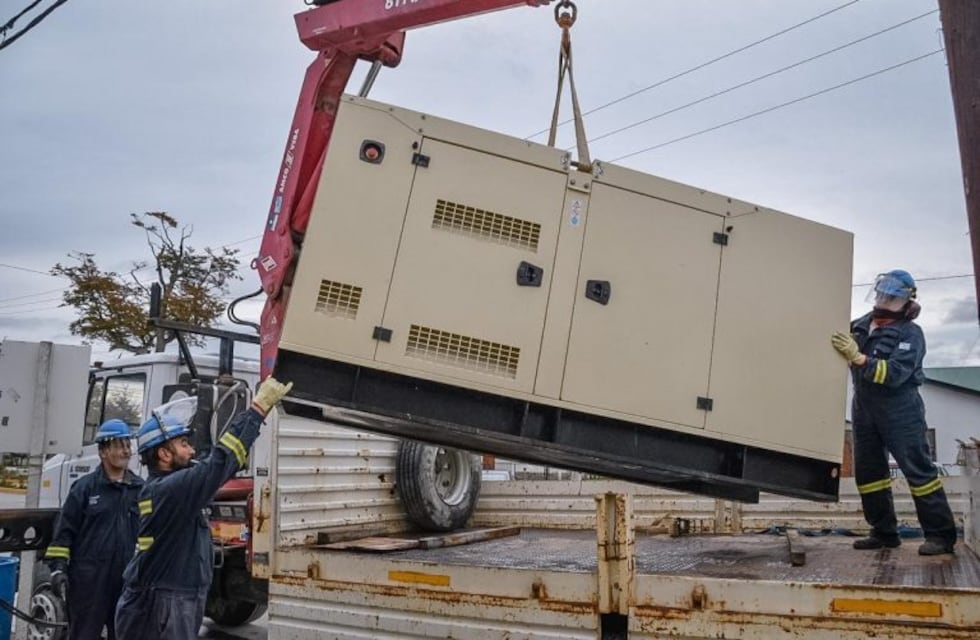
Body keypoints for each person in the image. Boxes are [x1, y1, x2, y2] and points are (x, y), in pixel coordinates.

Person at [114, 376, 292, 639]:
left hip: (174, 597)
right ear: (164, 454)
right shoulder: (170, 489)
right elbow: (220, 461)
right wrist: (256, 410)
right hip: (163, 601)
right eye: (184, 444)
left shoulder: (171, 489)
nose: (192, 451)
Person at [831, 269, 957, 556]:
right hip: (864, 408)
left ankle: (940, 536)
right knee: (870, 473)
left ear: (906, 302)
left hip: (901, 409)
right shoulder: (861, 324)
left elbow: (896, 373)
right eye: (882, 293)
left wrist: (859, 357)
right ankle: (884, 532)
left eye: (891, 296)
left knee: (920, 472)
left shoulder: (911, 334)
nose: (884, 299)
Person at [44, 418, 144, 640]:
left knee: (125, 634)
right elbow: (64, 533)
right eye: (119, 445)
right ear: (103, 452)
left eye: (128, 445)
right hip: (88, 582)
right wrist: (58, 569)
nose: (126, 451)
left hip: (126, 580)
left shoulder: (140, 489)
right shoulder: (84, 489)